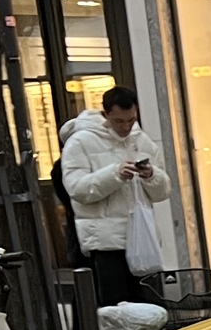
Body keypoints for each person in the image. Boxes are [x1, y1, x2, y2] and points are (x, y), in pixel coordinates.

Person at [58, 85, 172, 305]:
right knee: (117, 310)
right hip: (106, 242)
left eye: (131, 120)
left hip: (142, 238)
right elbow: (77, 189)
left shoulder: (141, 140)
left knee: (152, 308)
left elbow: (163, 191)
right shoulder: (80, 142)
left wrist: (151, 175)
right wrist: (115, 175)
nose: (126, 127)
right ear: (106, 114)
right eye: (119, 121)